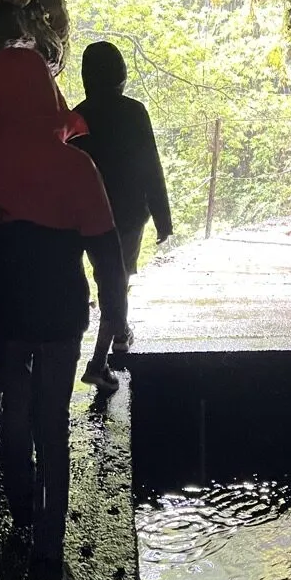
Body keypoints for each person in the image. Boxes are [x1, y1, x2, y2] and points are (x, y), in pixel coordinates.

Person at [0, 46, 127, 580]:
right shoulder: (75, 165)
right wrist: (117, 319)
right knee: (53, 420)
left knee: (14, 404)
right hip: (59, 313)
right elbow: (106, 254)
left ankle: (20, 505)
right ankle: (48, 549)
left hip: (4, 308)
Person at [72, 40, 173, 349]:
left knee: (106, 274)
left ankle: (117, 331)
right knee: (118, 275)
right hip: (129, 213)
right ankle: (115, 337)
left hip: (89, 212)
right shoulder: (134, 112)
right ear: (121, 74)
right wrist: (162, 217)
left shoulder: (78, 117)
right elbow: (150, 166)